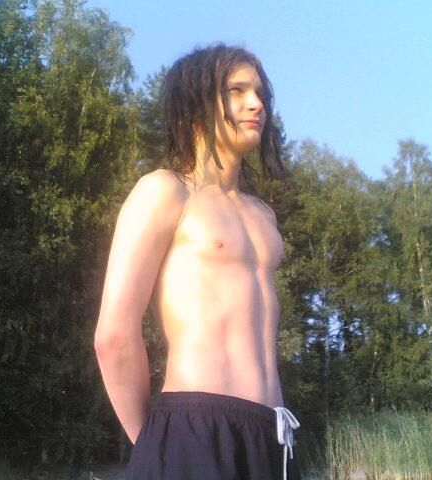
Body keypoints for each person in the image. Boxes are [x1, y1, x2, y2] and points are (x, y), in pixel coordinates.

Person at [94, 43, 302, 480]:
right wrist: (152, 446)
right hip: (191, 429)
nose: (257, 104)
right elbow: (114, 336)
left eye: (260, 92)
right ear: (197, 103)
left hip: (272, 435)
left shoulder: (263, 216)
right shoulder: (165, 191)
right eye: (237, 91)